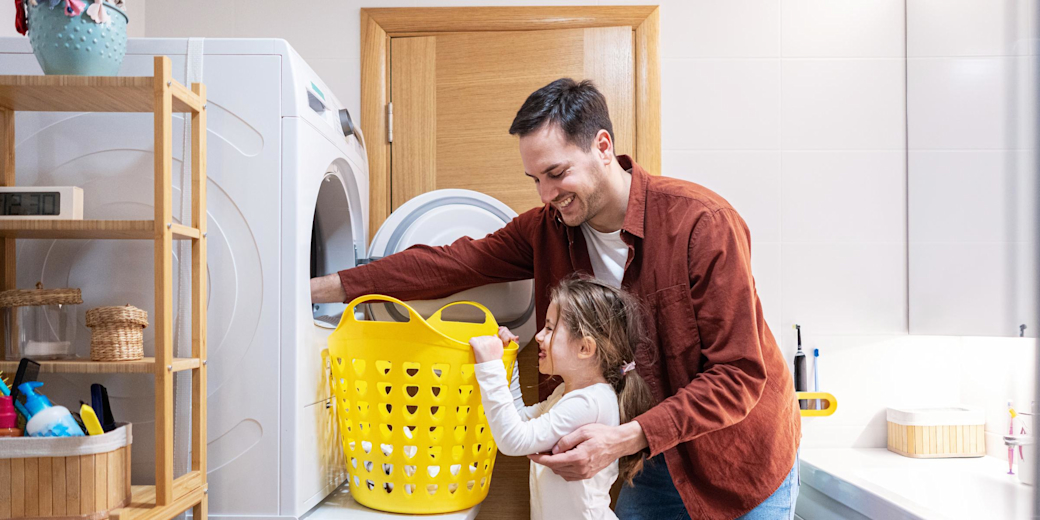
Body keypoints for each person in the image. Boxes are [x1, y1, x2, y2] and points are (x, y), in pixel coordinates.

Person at [311, 78, 801, 519]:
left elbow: (739, 375)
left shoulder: (702, 225)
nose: (546, 193)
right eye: (535, 180)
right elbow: (451, 263)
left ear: (603, 146)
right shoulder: (547, 230)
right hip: (647, 464)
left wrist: (627, 438)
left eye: (557, 173)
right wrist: (322, 289)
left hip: (737, 462)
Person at [468, 276, 652, 520]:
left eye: (550, 328)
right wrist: (507, 363)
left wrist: (490, 367)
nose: (538, 336)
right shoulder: (569, 394)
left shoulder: (590, 403)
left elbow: (514, 440)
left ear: (585, 348)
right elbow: (521, 421)